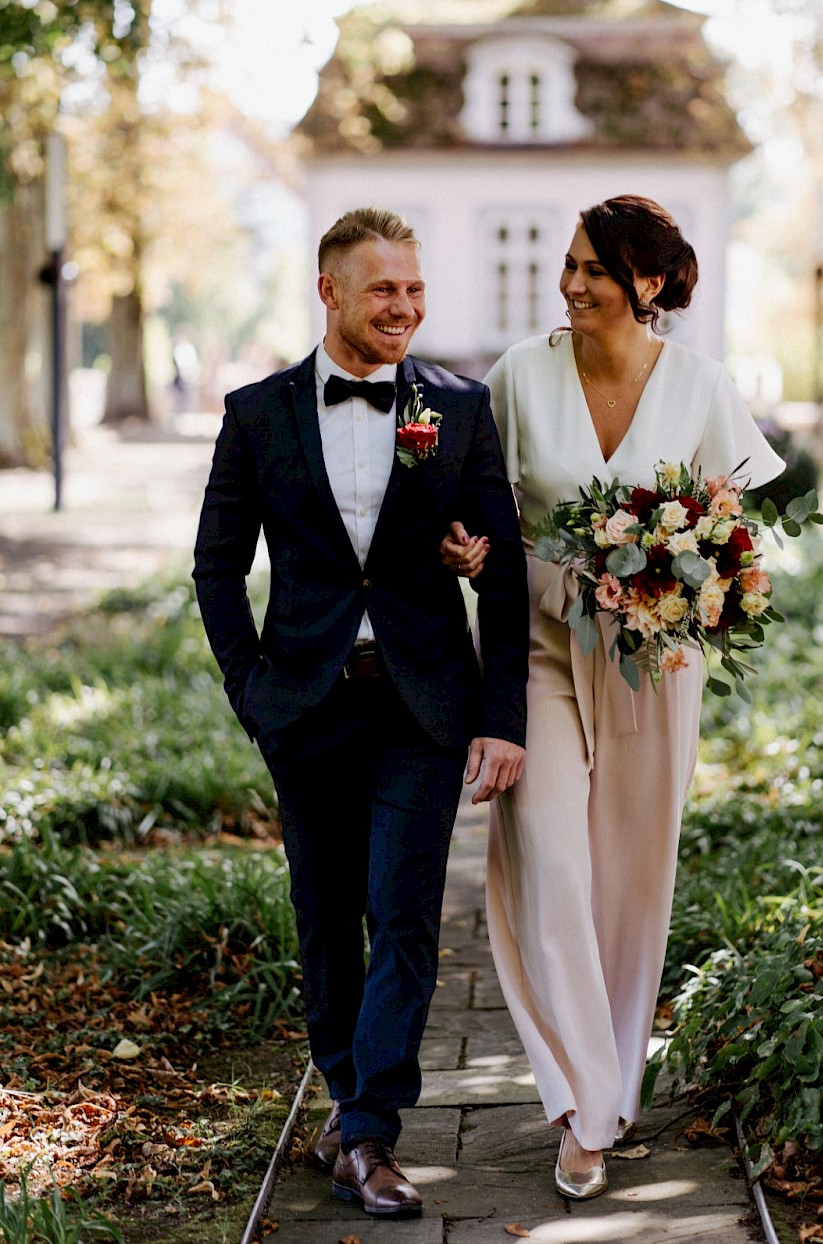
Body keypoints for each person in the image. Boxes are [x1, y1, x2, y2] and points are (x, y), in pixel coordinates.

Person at [441, 195, 784, 1199]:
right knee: (547, 860)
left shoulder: (702, 387)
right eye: (570, 263)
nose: (574, 283)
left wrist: (701, 587)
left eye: (595, 268)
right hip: (541, 648)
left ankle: (610, 1077)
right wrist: (471, 551)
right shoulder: (519, 376)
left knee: (628, 879)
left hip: (653, 663)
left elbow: (743, 538)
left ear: (648, 282)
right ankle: (585, 1108)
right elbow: (480, 515)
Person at [193, 207, 529, 1220]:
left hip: (422, 708)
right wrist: (254, 694)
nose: (405, 307)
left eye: (416, 289)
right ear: (330, 291)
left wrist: (503, 716)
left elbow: (501, 571)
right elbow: (217, 566)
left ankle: (373, 1129)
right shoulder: (257, 414)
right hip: (306, 706)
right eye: (384, 289)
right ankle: (346, 1101)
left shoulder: (458, 409)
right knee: (327, 918)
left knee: (405, 914)